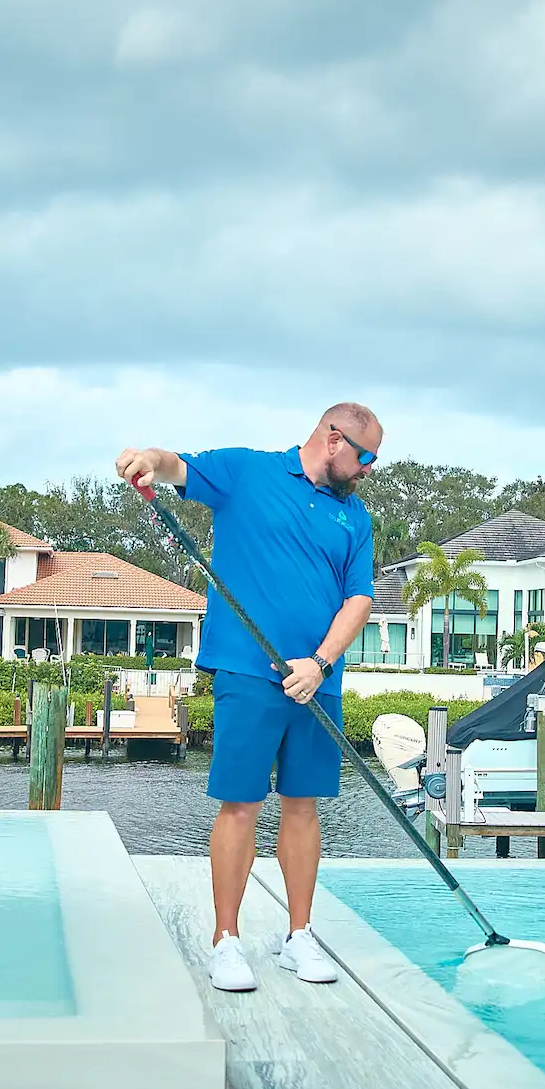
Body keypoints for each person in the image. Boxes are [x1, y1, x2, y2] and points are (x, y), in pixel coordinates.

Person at [115, 405, 380, 992]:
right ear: (334, 440)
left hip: (318, 681)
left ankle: (299, 937)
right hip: (247, 673)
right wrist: (146, 462)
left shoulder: (354, 518)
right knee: (240, 804)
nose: (367, 470)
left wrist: (320, 662)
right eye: (364, 457)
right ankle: (226, 941)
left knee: (303, 805)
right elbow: (174, 467)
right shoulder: (248, 473)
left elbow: (358, 601)